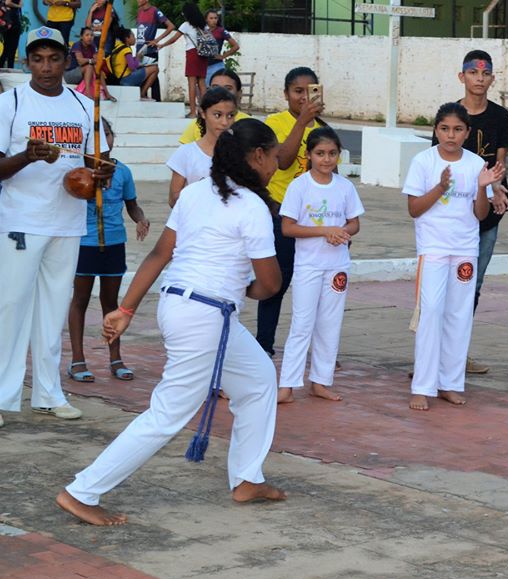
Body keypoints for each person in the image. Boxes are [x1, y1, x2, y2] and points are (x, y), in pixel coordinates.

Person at [55, 118, 286, 526]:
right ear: (256, 157)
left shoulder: (196, 193)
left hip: (185, 307)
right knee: (167, 415)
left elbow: (159, 255)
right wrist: (246, 289)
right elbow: (270, 284)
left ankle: (247, 478)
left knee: (259, 379)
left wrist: (124, 310)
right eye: (273, 155)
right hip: (207, 316)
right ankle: (82, 491)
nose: (276, 163)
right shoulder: (251, 207)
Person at [0, 27, 112, 428]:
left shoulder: (84, 106)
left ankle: (48, 393)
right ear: (26, 62)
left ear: (67, 61)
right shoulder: (9, 103)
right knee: (11, 307)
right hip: (20, 221)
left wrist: (98, 178)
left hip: (67, 221)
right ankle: (2, 396)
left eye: (53, 59)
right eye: (37, 59)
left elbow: (100, 163)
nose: (46, 67)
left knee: (52, 309)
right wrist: (27, 157)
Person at [403, 102, 503, 411]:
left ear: (467, 133)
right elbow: (414, 209)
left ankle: (450, 383)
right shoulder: (423, 161)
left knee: (459, 316)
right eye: (445, 129)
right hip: (433, 248)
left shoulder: (476, 165)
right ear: (436, 130)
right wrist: (440, 187)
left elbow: (480, 214)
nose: (451, 135)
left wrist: (482, 188)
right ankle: (422, 386)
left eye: (458, 129)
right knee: (430, 312)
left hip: (464, 249)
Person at [431, 50, 508, 375]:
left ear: (492, 78)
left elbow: (500, 163)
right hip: (451, 213)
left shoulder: (501, 117)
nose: (479, 78)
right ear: (461, 76)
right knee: (440, 285)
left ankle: (457, 353)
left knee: (471, 283)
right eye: (473, 72)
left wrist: (497, 190)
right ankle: (431, 350)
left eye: (485, 73)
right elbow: (438, 163)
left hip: (487, 211)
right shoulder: (449, 116)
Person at [277, 128, 362, 403]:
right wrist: (324, 231)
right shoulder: (299, 186)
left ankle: (321, 381)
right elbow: (288, 228)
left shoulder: (345, 186)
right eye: (320, 154)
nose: (326, 160)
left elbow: (354, 222)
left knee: (330, 323)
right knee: (302, 323)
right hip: (308, 266)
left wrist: (342, 232)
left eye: (332, 154)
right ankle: (288, 384)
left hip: (337, 265)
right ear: (309, 155)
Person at [67, 118, 150, 383]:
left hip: (114, 243)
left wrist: (141, 218)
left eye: (107, 134)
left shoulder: (122, 171)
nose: (103, 141)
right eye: (96, 136)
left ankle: (116, 358)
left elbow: (132, 204)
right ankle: (78, 360)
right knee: (80, 299)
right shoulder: (77, 171)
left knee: (111, 303)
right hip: (85, 242)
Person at [256, 66, 327, 357]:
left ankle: (319, 349)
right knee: (277, 283)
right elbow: (283, 161)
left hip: (315, 220)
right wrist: (303, 123)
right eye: (298, 91)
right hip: (282, 215)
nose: (303, 97)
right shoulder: (275, 123)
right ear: (286, 94)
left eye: (310, 91)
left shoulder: (323, 129)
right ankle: (264, 345)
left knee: (317, 290)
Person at [166, 86, 237, 206]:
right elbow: (174, 200)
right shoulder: (186, 153)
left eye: (230, 115)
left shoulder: (240, 152)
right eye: (217, 115)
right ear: (203, 113)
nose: (224, 122)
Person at [155, 2, 207, 118]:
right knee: (202, 84)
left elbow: (174, 39)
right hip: (203, 54)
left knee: (192, 83)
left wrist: (162, 45)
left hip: (193, 54)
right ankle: (204, 112)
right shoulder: (203, 25)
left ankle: (193, 112)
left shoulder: (186, 25)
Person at [179, 68, 249, 144]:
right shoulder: (197, 124)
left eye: (228, 88)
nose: (221, 92)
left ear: (239, 93)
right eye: (215, 88)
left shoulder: (249, 124)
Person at [134, 0, 174, 101]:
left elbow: (171, 26)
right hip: (139, 51)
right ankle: (149, 99)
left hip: (150, 51)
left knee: (152, 75)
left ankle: (153, 99)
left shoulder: (155, 11)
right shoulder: (139, 11)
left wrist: (156, 40)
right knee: (145, 76)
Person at [109, 28, 156, 95]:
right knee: (155, 68)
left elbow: (125, 62)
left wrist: (136, 58)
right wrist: (138, 58)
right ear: (127, 38)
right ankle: (143, 93)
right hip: (126, 79)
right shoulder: (127, 50)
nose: (135, 38)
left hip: (119, 79)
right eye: (133, 36)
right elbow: (132, 67)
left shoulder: (119, 46)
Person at [202, 9, 238, 85]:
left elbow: (235, 46)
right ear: (206, 19)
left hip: (216, 65)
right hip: (202, 65)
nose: (214, 20)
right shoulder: (201, 31)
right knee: (202, 91)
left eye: (215, 18)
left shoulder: (221, 31)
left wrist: (223, 56)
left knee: (218, 89)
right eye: (211, 18)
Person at [0, 0, 23, 69]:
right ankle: (9, 68)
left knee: (9, 49)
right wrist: (18, 6)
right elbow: (7, 2)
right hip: (11, 22)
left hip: (10, 22)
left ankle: (9, 68)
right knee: (9, 49)